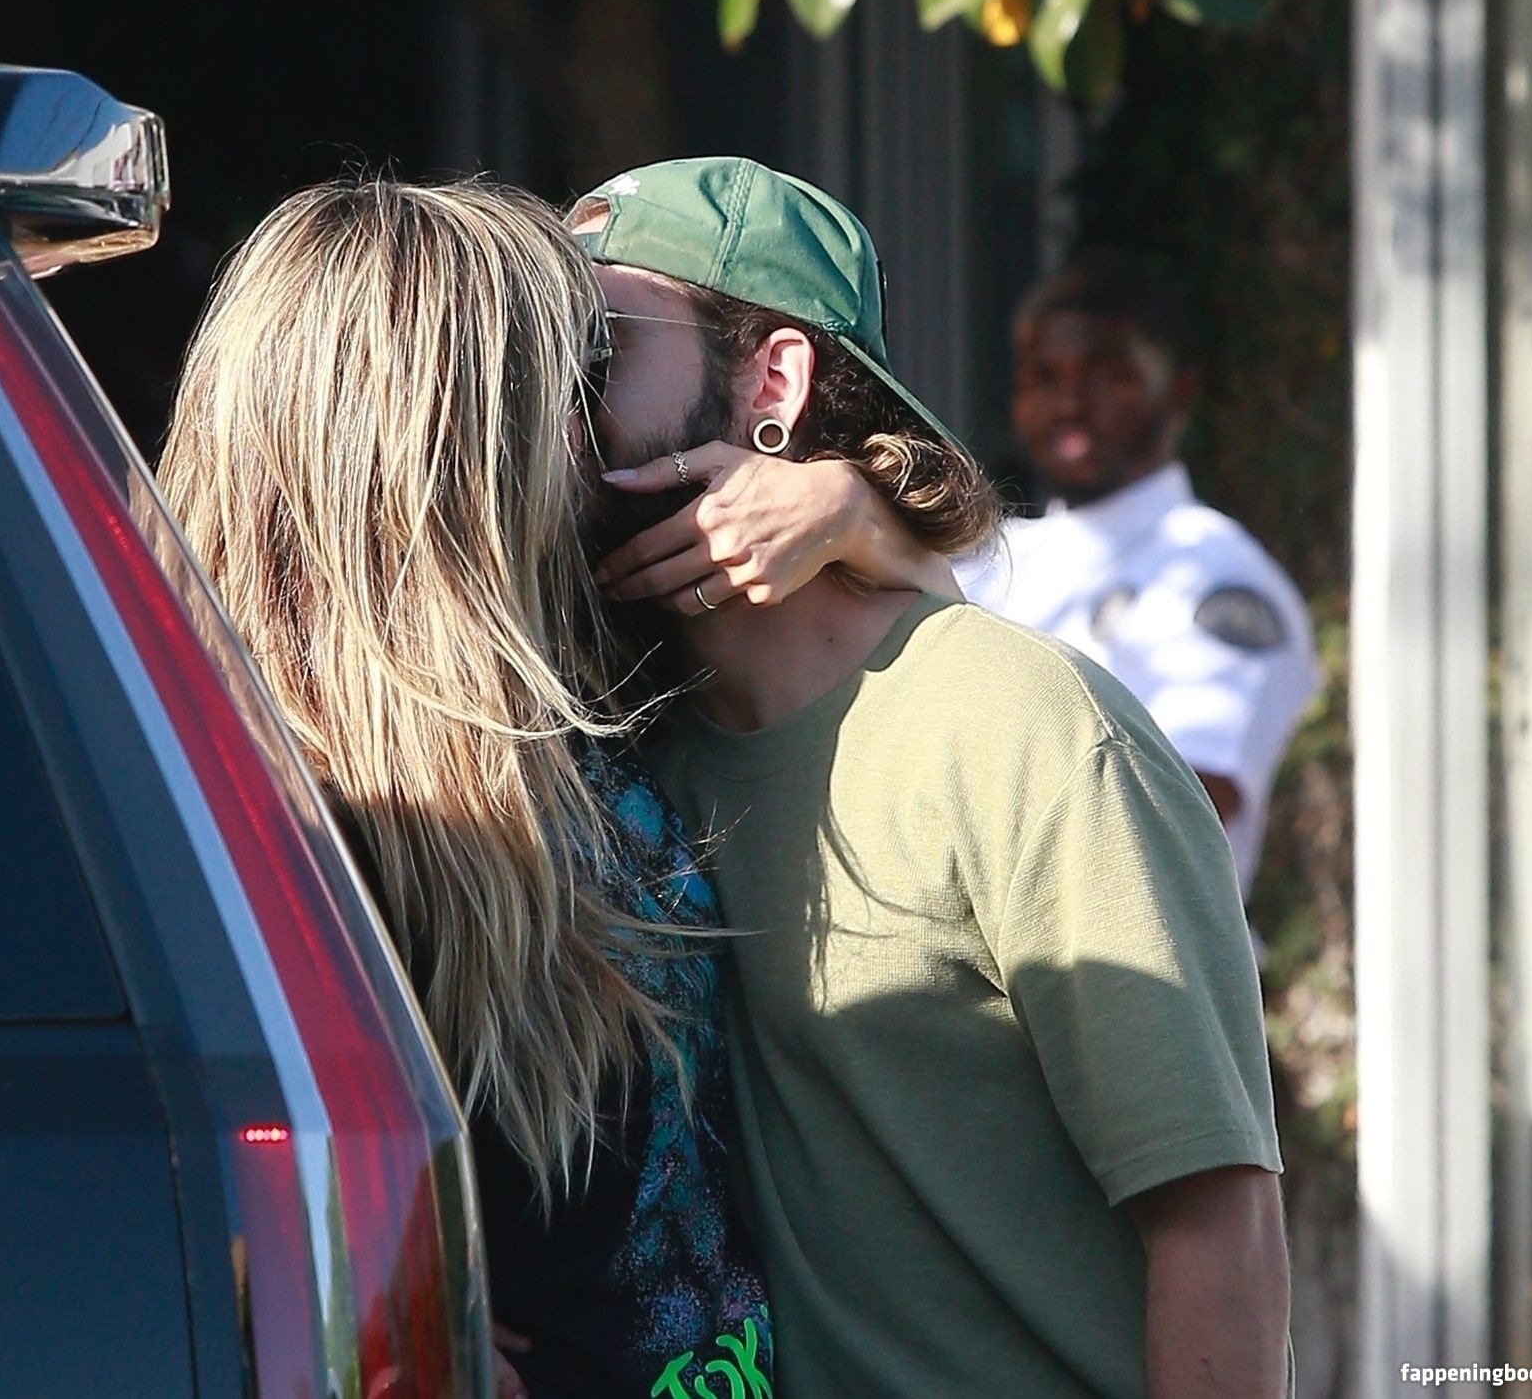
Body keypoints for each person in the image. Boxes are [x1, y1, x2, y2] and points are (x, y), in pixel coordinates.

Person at [155, 177, 950, 1399]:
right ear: (441, 437)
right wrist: (360, 1312)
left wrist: (859, 517)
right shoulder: (263, 813)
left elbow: (954, 664)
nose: (589, 429)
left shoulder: (585, 664)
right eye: (566, 379)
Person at [569, 157, 1291, 1397]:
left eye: (597, 345)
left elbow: (1218, 1230)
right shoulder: (627, 755)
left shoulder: (1031, 723)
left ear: (774, 383)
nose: (543, 393)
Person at [955, 250, 1319, 898]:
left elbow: (1178, 808)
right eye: (1044, 376)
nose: (1070, 403)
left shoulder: (1217, 575)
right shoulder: (983, 564)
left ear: (1178, 393)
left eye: (1106, 376)